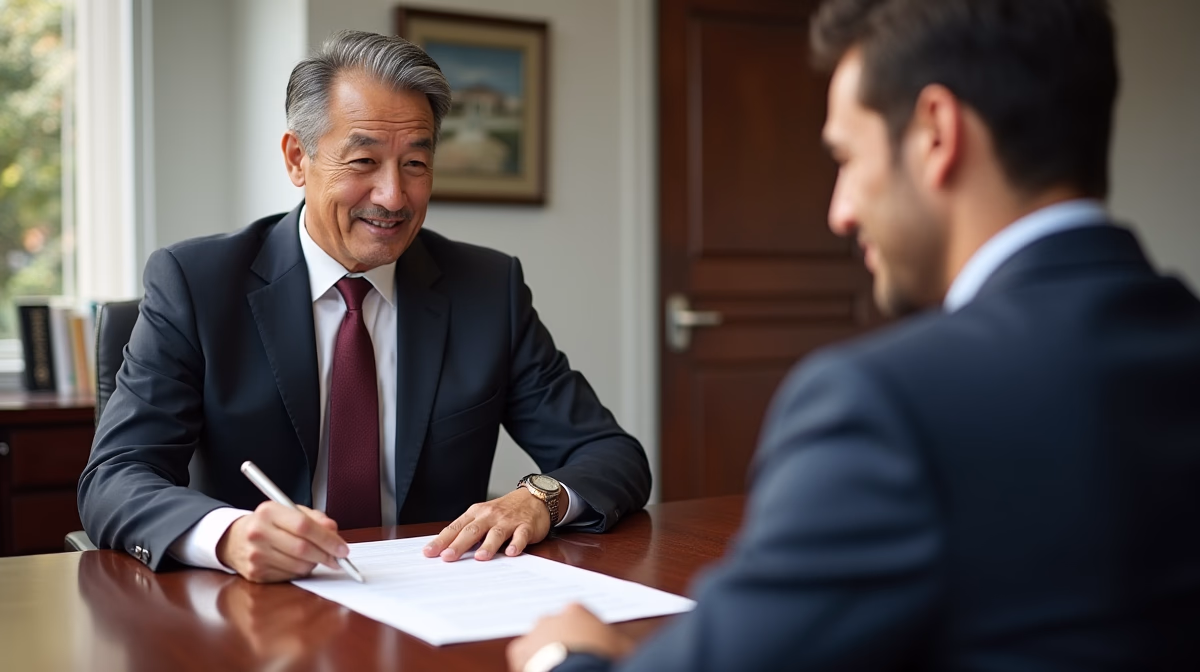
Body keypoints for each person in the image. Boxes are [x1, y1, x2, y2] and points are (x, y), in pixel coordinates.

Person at [509, 0, 1200, 669]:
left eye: (846, 157)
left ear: (936, 132)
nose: (840, 211)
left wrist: (561, 657)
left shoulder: (884, 405)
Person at [78, 31, 651, 583]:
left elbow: (612, 455)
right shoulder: (198, 284)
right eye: (363, 162)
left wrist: (541, 499)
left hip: (436, 598)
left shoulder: (485, 288)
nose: (393, 197)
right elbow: (115, 477)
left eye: (416, 164)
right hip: (256, 607)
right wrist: (227, 535)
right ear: (297, 159)